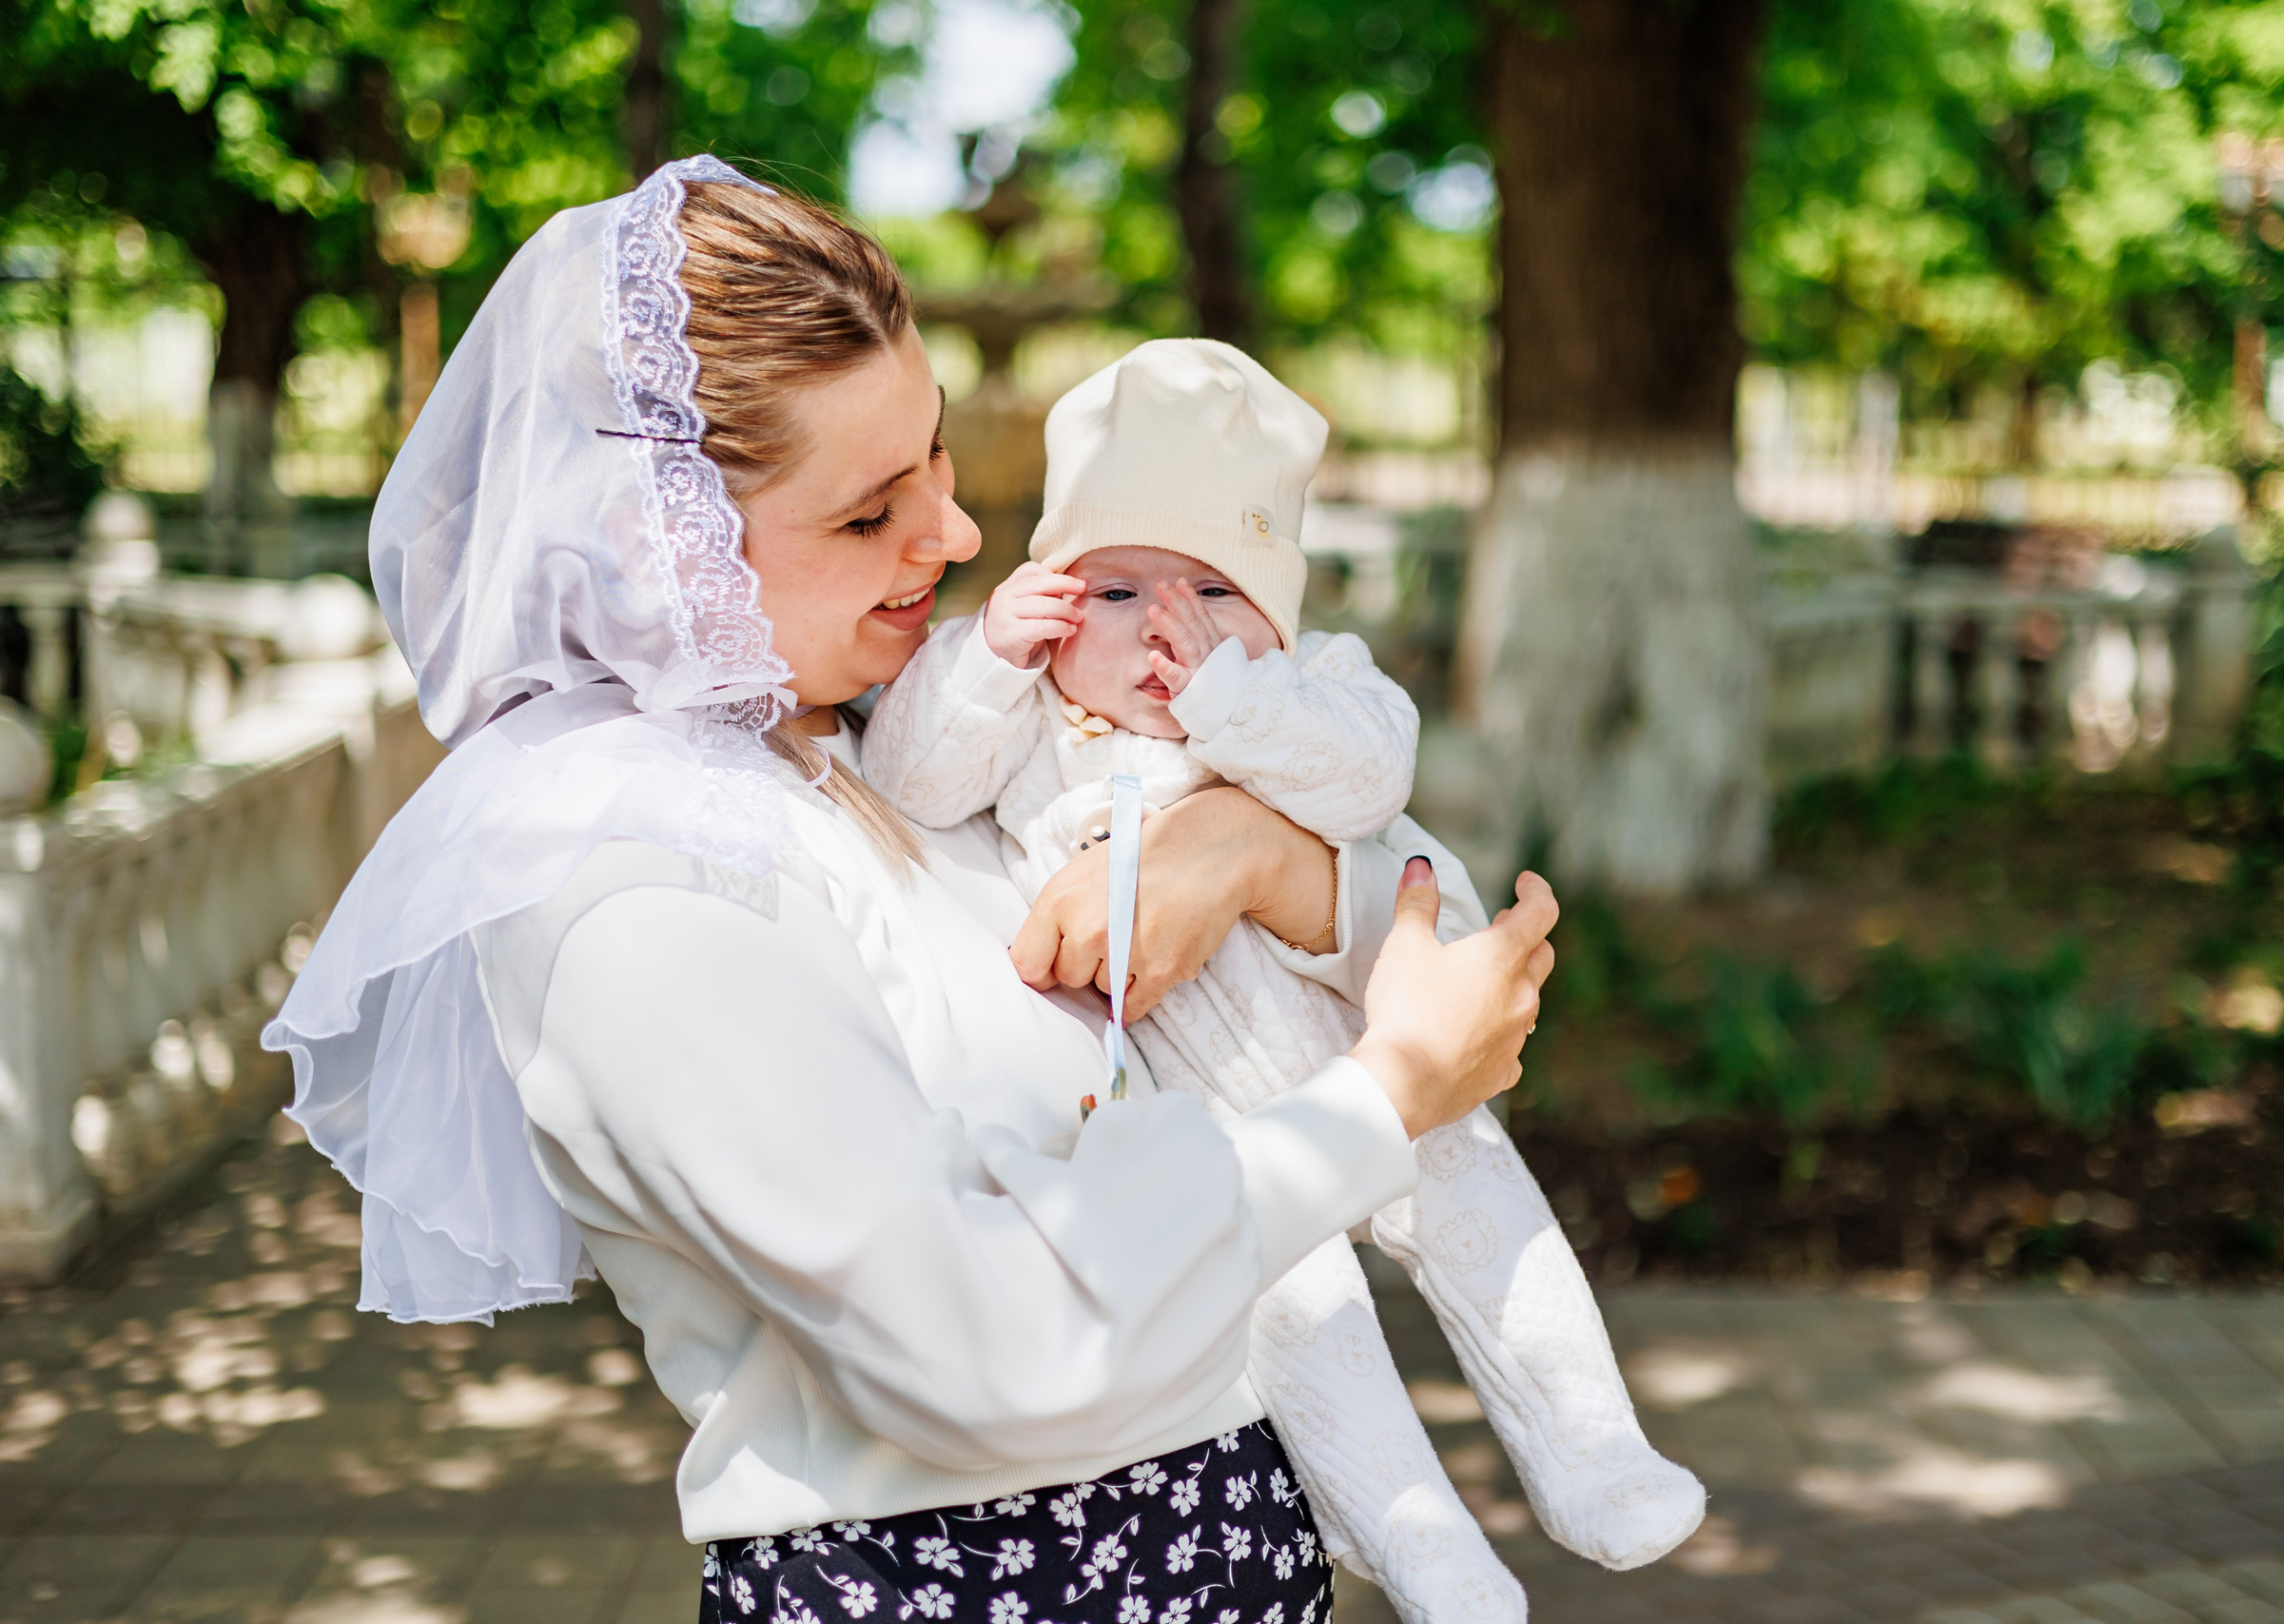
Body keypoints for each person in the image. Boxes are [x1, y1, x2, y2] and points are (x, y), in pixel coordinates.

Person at [263, 157, 1558, 1624]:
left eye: (938, 461)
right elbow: (983, 1345)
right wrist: (1383, 1101)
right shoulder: (637, 888)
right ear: (657, 547)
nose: (953, 538)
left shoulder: (874, 733)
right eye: (873, 514)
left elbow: (1415, 909)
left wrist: (1258, 857)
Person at [864, 340, 1703, 1623]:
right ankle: (1427, 1551)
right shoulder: (1018, 717)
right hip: (1200, 1124)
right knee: (1300, 1320)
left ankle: (1595, 1454)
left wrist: (1227, 698)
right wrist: (988, 658)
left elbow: (1365, 782)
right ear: (1050, 593)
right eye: (1115, 589)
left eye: (1211, 587)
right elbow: (911, 786)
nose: (1163, 623)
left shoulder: (1311, 687)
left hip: (1360, 1039)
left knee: (1489, 1227)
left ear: (1277, 610)